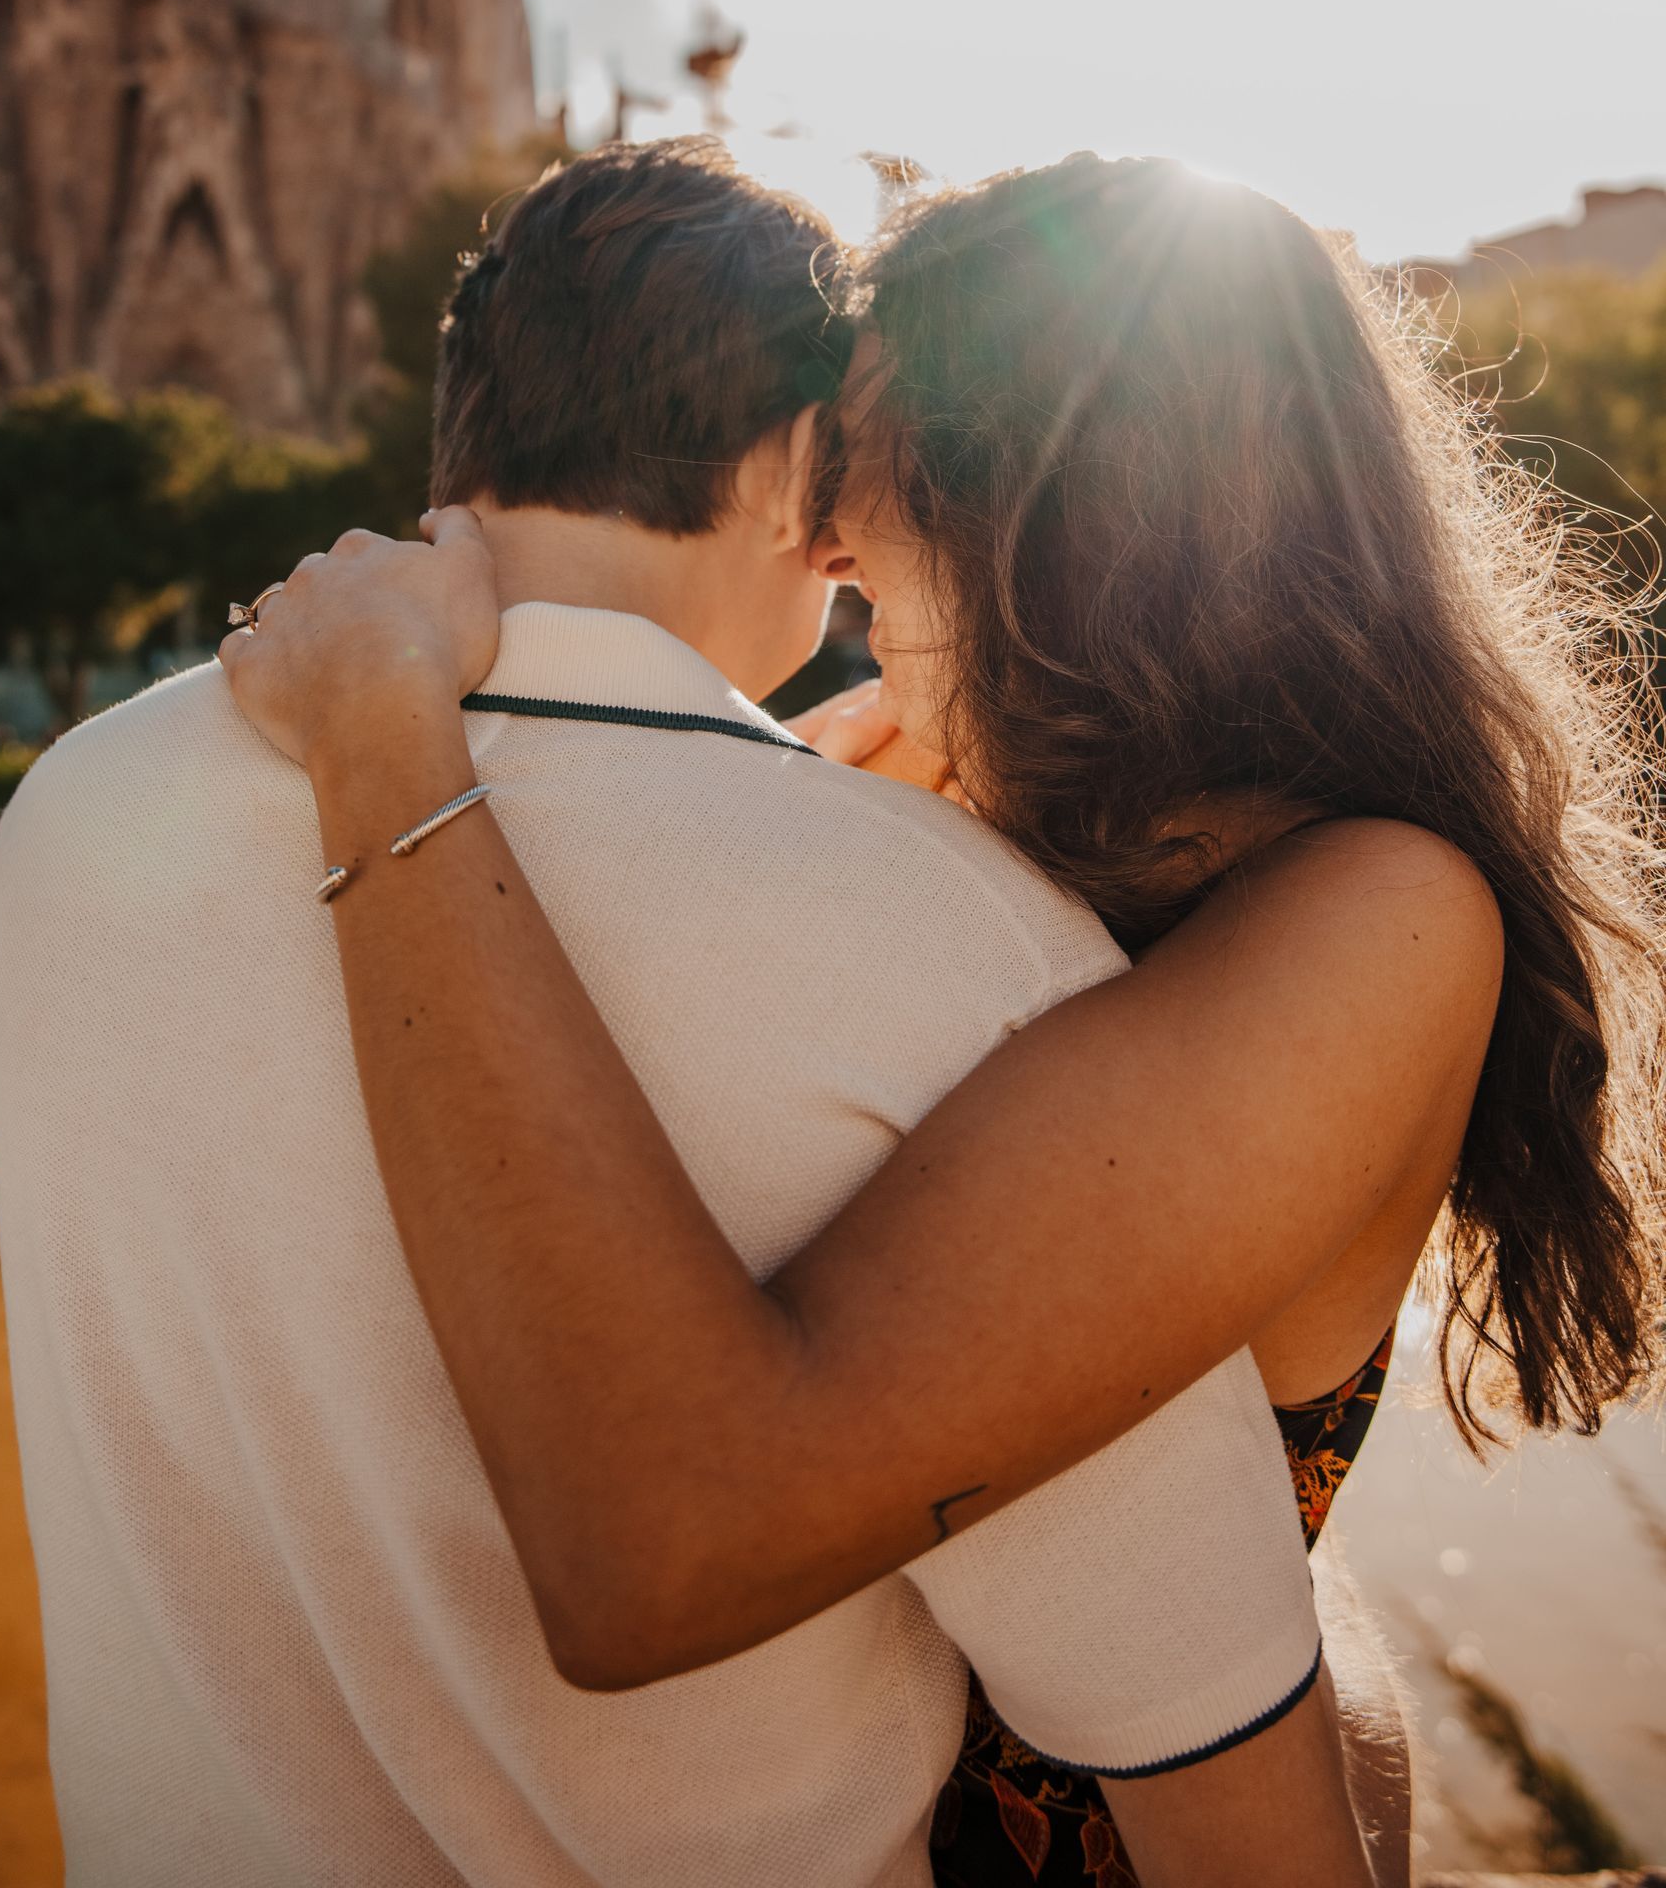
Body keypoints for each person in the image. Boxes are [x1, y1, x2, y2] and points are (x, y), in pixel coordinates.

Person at [223, 148, 1666, 1888]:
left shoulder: (1382, 921)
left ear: (1060, 505)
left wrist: (385, 734)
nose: (825, 543)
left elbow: (660, 1545)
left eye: (881, 469)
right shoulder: (970, 797)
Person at [0, 140, 1384, 1888]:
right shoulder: (955, 936)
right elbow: (1208, 1758)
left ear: (463, 427)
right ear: (807, 464)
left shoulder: (69, 819)